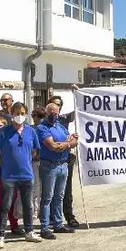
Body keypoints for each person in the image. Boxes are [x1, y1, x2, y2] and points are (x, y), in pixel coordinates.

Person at [0, 103, 43, 248]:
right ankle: (0, 235)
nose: (19, 116)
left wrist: (25, 161)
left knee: (28, 205)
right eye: (16, 113)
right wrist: (4, 164)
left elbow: (34, 151)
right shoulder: (4, 131)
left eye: (22, 113)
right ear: (12, 114)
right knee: (5, 206)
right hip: (9, 176)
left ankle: (29, 231)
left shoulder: (31, 132)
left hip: (27, 175)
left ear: (26, 114)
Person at [36, 103, 78, 238]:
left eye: (57, 112)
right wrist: (67, 144)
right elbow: (52, 146)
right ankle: (45, 227)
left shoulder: (60, 126)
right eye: (52, 112)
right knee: (47, 197)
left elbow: (74, 141)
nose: (55, 115)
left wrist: (65, 144)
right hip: (49, 166)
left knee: (59, 197)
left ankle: (58, 224)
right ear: (46, 112)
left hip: (63, 165)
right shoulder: (42, 127)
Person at [48, 94, 81, 229]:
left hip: (66, 157)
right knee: (50, 191)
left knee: (66, 189)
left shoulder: (64, 118)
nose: (57, 107)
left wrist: (77, 94)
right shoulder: (45, 123)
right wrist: (67, 143)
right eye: (55, 104)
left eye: (60, 105)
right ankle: (52, 218)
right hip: (50, 159)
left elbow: (80, 111)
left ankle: (69, 215)